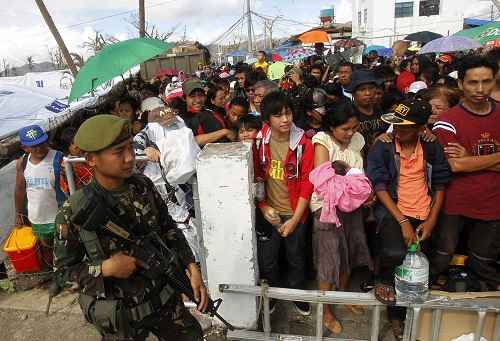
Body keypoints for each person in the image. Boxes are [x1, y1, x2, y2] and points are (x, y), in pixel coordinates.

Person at [53, 115, 207, 340]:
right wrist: (104, 269)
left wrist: (192, 267)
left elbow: (168, 228)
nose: (129, 158)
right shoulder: (74, 212)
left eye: (130, 148)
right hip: (121, 319)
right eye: (118, 152)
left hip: (165, 300)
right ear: (91, 159)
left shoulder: (142, 186)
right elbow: (62, 275)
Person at [367, 98, 451, 340]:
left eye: (405, 128)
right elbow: (380, 185)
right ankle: (394, 315)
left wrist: (432, 220)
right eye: (396, 126)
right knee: (395, 254)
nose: (397, 132)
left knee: (421, 268)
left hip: (424, 211)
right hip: (395, 209)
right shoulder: (383, 147)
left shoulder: (432, 147)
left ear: (421, 129)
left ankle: (417, 317)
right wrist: (403, 221)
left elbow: (441, 184)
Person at [432, 56, 500, 291]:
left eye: (486, 81)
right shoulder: (447, 121)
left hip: (493, 202)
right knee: (441, 256)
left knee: (483, 260)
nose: (480, 89)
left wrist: (470, 156)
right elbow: (455, 166)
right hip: (455, 202)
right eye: (473, 82)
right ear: (460, 84)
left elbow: (464, 162)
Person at [310, 102, 372, 335]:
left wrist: (359, 188)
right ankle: (326, 310)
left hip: (353, 207)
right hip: (327, 208)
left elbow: (360, 175)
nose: (350, 133)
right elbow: (324, 181)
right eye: (345, 129)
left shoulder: (357, 140)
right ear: (331, 127)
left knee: (349, 253)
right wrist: (356, 185)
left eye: (354, 128)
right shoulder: (322, 141)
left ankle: (343, 294)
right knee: (328, 259)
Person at [254, 91, 314, 316]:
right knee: (267, 260)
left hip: (295, 213)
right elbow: (257, 178)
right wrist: (263, 207)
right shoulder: (259, 142)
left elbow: (308, 183)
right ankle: (273, 295)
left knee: (296, 258)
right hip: (269, 213)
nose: (285, 119)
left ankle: (297, 294)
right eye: (278, 115)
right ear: (267, 119)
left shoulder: (303, 144)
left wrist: (295, 219)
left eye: (288, 113)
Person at [14, 125, 64, 246]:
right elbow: (20, 189)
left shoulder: (59, 158)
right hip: (37, 219)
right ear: (25, 148)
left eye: (41, 143)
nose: (39, 148)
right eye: (34, 146)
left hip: (60, 217)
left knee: (64, 248)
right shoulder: (23, 162)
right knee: (46, 246)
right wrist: (18, 214)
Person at [181, 79, 235, 145]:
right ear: (184, 98)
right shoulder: (182, 120)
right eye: (192, 96)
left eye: (200, 95)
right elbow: (190, 141)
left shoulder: (210, 112)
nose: (198, 100)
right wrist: (223, 132)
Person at [349, 70, 388, 152]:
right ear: (353, 93)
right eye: (362, 89)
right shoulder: (349, 114)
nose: (368, 93)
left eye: (371, 88)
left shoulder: (379, 110)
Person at [58, 127, 93, 197]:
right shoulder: (66, 166)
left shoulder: (89, 154)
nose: (78, 146)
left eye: (79, 141)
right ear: (67, 148)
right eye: (73, 144)